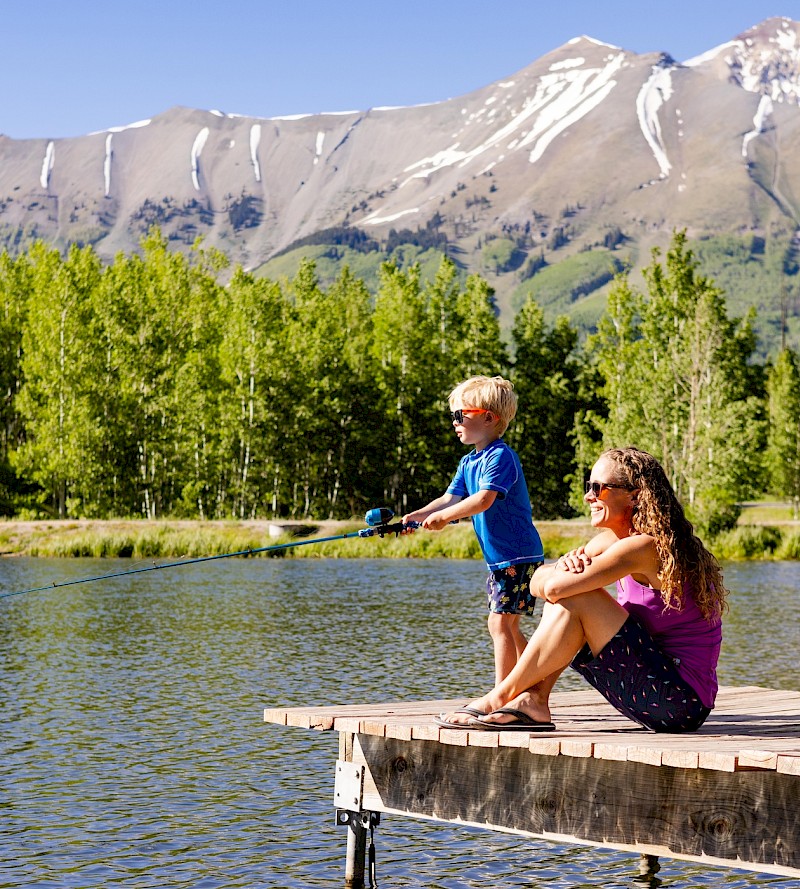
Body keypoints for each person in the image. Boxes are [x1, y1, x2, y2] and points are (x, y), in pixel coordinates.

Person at [436, 446, 727, 733]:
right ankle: (533, 700)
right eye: (588, 486)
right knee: (569, 597)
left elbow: (551, 587)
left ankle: (501, 697)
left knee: (577, 596)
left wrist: (562, 575)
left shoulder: (645, 547)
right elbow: (538, 580)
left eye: (598, 488)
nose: (588, 496)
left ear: (634, 495)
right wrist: (563, 567)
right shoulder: (613, 541)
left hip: (680, 703)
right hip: (653, 692)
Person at [403, 375, 545, 689]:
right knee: (508, 626)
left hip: (517, 556)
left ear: (489, 417)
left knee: (499, 624)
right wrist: (416, 517)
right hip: (500, 560)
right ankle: (534, 682)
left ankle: (502, 696)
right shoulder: (469, 461)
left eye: (460, 415)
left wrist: (442, 518)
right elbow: (449, 499)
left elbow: (482, 500)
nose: (454, 422)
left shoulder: (500, 456)